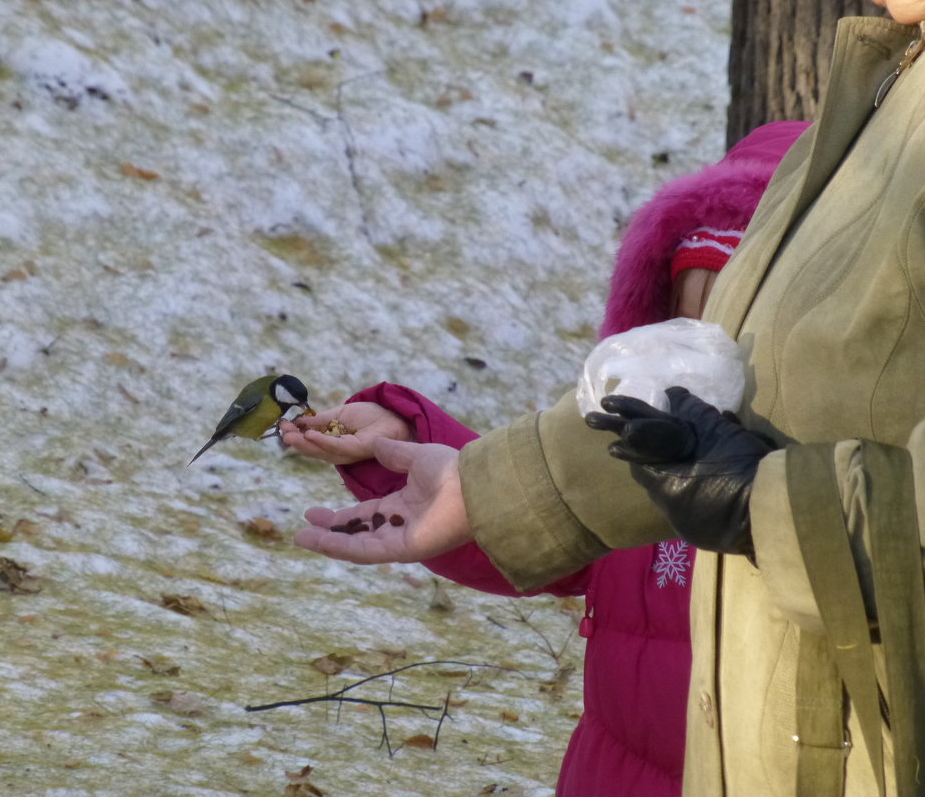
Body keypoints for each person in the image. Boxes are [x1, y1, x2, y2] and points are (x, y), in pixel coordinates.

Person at [293, 1, 925, 795]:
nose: (700, 337)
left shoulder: (721, 465)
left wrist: (764, 505)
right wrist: (431, 458)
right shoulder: (653, 455)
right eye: (686, 306)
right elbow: (552, 528)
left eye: (737, 311)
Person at [284, 122, 808, 796]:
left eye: (733, 324)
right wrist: (406, 447)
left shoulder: (796, 487)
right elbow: (535, 518)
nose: (696, 354)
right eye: (680, 320)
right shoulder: (629, 444)